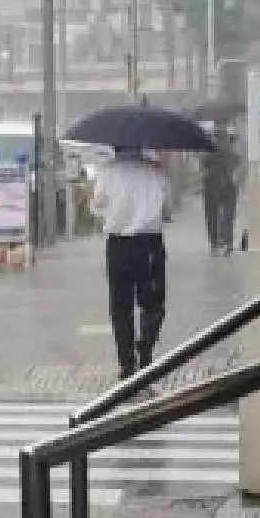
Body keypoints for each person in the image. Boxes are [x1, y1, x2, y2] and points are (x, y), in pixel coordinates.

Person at [92, 146, 172, 380]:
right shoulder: (156, 172)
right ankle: (145, 350)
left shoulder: (107, 171)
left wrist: (115, 210)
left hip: (117, 245)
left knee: (120, 306)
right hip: (149, 245)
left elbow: (96, 205)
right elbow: (167, 209)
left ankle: (126, 363)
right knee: (153, 303)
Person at [200, 123, 241, 256]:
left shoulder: (208, 150)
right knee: (228, 215)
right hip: (228, 184)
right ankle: (226, 241)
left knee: (213, 214)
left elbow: (203, 166)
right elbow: (237, 164)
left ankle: (215, 241)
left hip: (213, 185)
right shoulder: (231, 151)